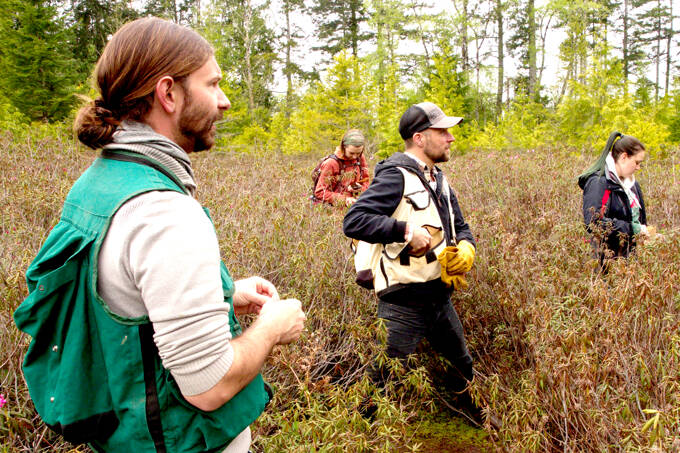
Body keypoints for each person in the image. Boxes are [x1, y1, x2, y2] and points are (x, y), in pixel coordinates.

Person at [13, 17, 305, 453]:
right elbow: (208, 385)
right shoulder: (166, 213)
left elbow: (118, 294)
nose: (224, 102)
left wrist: (223, 293)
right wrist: (270, 328)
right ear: (168, 93)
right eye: (213, 84)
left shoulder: (102, 181)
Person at [342, 102, 480, 418]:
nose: (450, 138)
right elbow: (355, 220)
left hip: (440, 298)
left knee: (462, 365)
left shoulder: (440, 179)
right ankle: (360, 431)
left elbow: (460, 227)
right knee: (382, 378)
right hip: (402, 303)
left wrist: (467, 250)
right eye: (442, 131)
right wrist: (404, 230)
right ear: (419, 138)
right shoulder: (395, 177)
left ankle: (477, 416)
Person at [578, 132, 654, 267]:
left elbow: (641, 222)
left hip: (630, 263)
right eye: (637, 162)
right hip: (604, 264)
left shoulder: (633, 185)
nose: (638, 167)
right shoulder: (599, 183)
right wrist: (633, 229)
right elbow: (593, 223)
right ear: (624, 157)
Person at [312, 129, 370, 206]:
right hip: (333, 209)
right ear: (343, 147)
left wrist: (360, 188)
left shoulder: (360, 158)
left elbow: (366, 181)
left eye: (358, 153)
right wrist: (344, 199)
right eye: (351, 153)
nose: (355, 156)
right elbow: (320, 192)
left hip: (356, 205)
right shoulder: (331, 163)